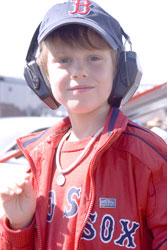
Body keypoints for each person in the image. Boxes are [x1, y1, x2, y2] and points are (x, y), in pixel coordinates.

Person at [0, 0, 167, 249]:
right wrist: (19, 225)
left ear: (121, 71)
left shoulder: (147, 155)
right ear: (41, 77)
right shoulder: (40, 157)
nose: (79, 71)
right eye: (64, 60)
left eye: (94, 58)